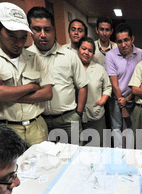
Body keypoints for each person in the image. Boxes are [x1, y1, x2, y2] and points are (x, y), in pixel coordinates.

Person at [0, 2, 53, 148]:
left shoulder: (35, 57)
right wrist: (32, 86)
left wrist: (8, 93)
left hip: (36, 126)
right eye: (12, 36)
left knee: (42, 167)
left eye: (23, 37)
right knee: (12, 168)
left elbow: (48, 94)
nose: (18, 43)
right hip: (7, 128)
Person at [27, 7, 89, 145]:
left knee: (74, 157)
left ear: (54, 30)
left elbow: (83, 86)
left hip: (68, 119)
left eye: (47, 29)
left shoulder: (69, 56)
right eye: (37, 29)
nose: (43, 34)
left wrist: (77, 114)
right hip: (38, 120)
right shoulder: (25, 57)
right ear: (30, 30)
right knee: (46, 160)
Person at [105, 23, 142, 148]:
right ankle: (118, 154)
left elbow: (141, 80)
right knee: (116, 128)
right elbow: (115, 84)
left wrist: (128, 99)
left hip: (134, 97)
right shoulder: (110, 55)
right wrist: (122, 106)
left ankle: (129, 153)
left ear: (132, 39)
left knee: (132, 127)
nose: (123, 45)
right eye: (119, 42)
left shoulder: (141, 54)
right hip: (116, 98)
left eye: (126, 40)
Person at [77, 37, 112, 146]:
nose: (86, 52)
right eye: (84, 49)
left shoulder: (99, 69)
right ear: (78, 50)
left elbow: (108, 87)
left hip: (96, 116)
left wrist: (102, 101)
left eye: (90, 51)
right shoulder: (72, 67)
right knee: (80, 146)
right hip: (76, 116)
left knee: (99, 146)